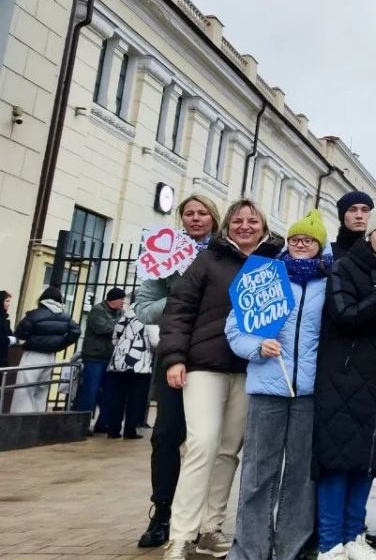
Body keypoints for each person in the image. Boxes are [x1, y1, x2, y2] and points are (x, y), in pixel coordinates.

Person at [158, 199, 285, 560]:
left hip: (250, 369)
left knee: (229, 450)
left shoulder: (276, 262)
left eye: (253, 220)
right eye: (238, 221)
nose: (245, 226)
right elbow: (179, 309)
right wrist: (174, 358)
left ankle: (210, 528)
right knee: (202, 443)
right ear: (227, 225)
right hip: (204, 364)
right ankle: (181, 534)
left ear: (263, 225)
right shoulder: (208, 260)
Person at [220, 209, 330, 560]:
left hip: (309, 391)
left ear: (319, 247)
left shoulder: (328, 283)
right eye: (296, 239)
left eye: (309, 241)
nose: (301, 245)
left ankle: (290, 548)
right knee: (257, 472)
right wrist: (256, 347)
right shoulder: (264, 275)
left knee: (300, 475)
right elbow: (235, 329)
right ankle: (249, 549)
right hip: (268, 386)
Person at [314, 207, 376, 560]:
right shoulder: (345, 268)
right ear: (369, 234)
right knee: (337, 464)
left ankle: (353, 535)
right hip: (344, 381)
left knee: (367, 461)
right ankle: (329, 543)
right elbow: (345, 315)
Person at [132, 193, 220, 548]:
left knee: (211, 442)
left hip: (214, 356)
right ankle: (163, 512)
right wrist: (183, 298)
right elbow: (144, 307)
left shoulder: (224, 252)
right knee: (167, 435)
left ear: (214, 217)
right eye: (189, 214)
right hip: (175, 354)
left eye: (203, 213)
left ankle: (203, 517)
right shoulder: (164, 254)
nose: (196, 219)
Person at [11, 287, 80, 413]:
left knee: (25, 387)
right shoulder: (65, 316)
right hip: (51, 356)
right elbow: (75, 331)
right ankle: (38, 416)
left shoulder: (34, 315)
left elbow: (21, 334)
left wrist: (28, 342)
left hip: (33, 354)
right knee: (42, 388)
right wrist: (60, 345)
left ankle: (22, 416)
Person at [104, 300, 155, 439]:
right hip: (140, 365)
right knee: (135, 399)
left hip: (119, 362)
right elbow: (155, 340)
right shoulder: (149, 316)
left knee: (117, 397)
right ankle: (130, 430)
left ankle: (113, 429)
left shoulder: (125, 315)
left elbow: (115, 336)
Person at [78, 287, 125, 430]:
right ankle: (82, 425)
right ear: (114, 299)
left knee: (108, 392)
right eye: (121, 299)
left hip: (111, 358)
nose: (123, 302)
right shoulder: (97, 310)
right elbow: (102, 328)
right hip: (95, 357)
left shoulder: (120, 313)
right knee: (90, 391)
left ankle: (102, 424)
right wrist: (118, 328)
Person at [332, 191, 374, 260]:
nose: (359, 216)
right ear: (342, 216)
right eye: (352, 210)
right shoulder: (326, 253)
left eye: (365, 210)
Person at [0, 291, 13, 380]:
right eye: (7, 301)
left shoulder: (4, 318)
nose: (9, 304)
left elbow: (10, 334)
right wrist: (10, 340)